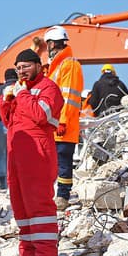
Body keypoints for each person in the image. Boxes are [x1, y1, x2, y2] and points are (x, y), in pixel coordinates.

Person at [0, 49, 64, 256]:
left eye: (25, 66)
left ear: (38, 65)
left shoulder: (48, 88)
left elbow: (40, 115)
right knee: (21, 204)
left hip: (37, 152)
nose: (21, 71)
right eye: (18, 68)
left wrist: (22, 94)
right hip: (16, 153)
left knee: (39, 204)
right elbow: (8, 121)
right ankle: (28, 254)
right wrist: (6, 100)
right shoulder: (20, 90)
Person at [44, 25, 83, 211]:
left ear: (52, 44)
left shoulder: (69, 65)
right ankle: (55, 194)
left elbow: (69, 97)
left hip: (64, 125)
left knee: (64, 162)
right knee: (55, 162)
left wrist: (63, 121)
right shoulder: (57, 66)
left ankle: (63, 196)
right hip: (55, 124)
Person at [0, 68, 18, 189]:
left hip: (1, 123)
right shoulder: (21, 87)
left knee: (0, 153)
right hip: (17, 124)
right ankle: (13, 179)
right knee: (14, 153)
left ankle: (0, 181)